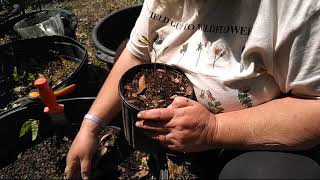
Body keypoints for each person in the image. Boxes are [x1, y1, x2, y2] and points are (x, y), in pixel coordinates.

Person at [65, 0, 320, 179]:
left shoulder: (294, 8)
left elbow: (315, 106)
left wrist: (214, 130)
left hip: (245, 138)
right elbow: (136, 52)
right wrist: (91, 125)